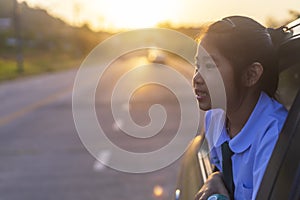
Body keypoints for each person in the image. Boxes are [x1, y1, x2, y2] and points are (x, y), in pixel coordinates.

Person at [192, 16, 289, 200]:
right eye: (198, 66)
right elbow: (221, 167)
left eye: (210, 67)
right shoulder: (214, 118)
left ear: (251, 75)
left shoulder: (274, 138)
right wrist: (215, 177)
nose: (196, 78)